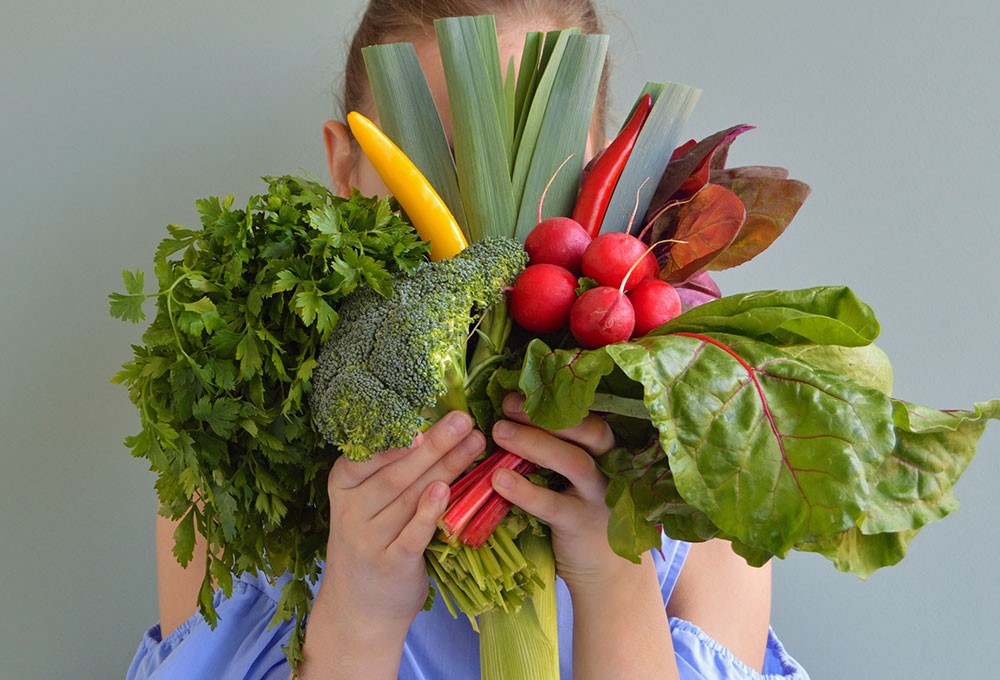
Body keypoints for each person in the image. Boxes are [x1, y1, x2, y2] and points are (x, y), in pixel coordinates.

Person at [128, 1, 810, 678]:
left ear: (610, 168)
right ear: (346, 168)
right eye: (439, 163)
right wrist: (357, 615)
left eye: (546, 163)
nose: (491, 236)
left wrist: (614, 582)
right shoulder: (228, 458)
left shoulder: (701, 449)